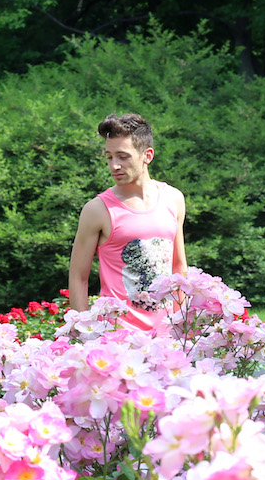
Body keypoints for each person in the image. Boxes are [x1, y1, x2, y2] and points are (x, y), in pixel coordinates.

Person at [67, 113, 187, 333]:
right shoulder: (97, 209)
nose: (114, 166)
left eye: (123, 157)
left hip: (169, 336)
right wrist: (83, 332)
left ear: (147, 155)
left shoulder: (173, 199)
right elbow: (78, 276)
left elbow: (178, 267)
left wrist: (184, 324)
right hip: (118, 338)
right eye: (109, 157)